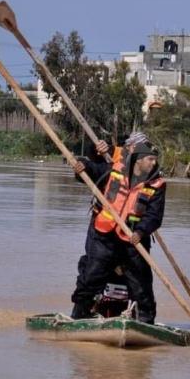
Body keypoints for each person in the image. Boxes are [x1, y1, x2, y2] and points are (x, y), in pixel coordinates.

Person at [70, 139, 165, 324]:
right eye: (150, 159)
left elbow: (154, 216)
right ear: (138, 160)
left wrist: (140, 232)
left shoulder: (157, 184)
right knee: (91, 275)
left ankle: (145, 321)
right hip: (104, 235)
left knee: (141, 283)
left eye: (155, 160)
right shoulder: (114, 170)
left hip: (133, 239)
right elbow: (91, 170)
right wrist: (81, 167)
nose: (154, 163)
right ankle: (80, 314)